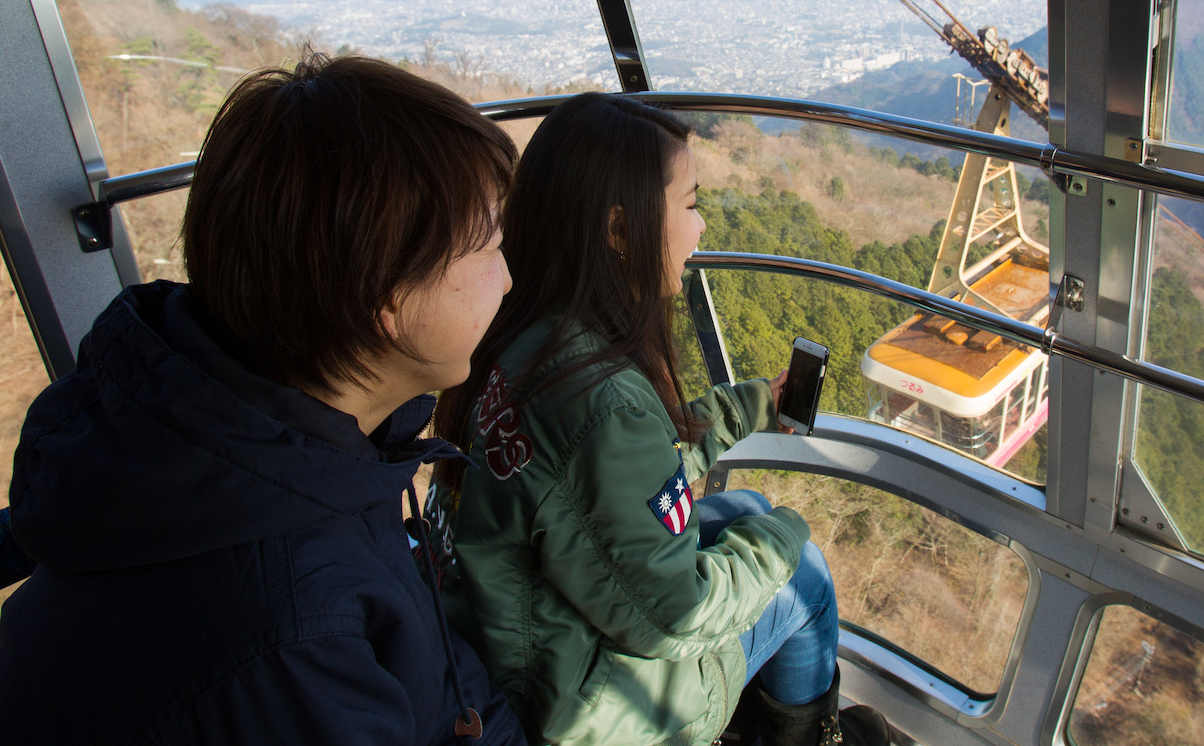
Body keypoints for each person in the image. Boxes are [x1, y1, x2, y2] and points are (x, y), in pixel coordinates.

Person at [0, 54, 528, 745]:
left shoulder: (297, 451)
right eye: (489, 246)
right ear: (388, 299)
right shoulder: (285, 632)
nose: (510, 278)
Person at [425, 92, 888, 746]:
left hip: (509, 645)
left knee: (746, 505)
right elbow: (676, 618)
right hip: (575, 707)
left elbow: (627, 476)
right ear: (619, 230)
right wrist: (789, 533)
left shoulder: (525, 337)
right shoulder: (595, 396)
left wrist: (757, 404)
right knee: (802, 575)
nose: (701, 229)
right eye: (691, 204)